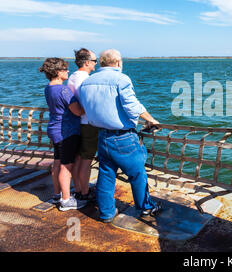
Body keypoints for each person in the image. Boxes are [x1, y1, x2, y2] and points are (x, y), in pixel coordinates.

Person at [79, 49, 162, 223]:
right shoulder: (121, 79)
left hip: (102, 136)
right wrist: (151, 119)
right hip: (123, 137)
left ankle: (107, 213)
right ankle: (145, 208)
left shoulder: (87, 82)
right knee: (138, 174)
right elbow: (132, 106)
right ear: (118, 62)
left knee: (106, 174)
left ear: (101, 63)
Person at [39, 57, 87, 211]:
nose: (68, 71)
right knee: (66, 166)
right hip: (66, 131)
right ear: (58, 72)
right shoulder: (63, 89)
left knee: (58, 163)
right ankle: (66, 201)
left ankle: (57, 194)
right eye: (65, 69)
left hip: (55, 128)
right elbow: (77, 111)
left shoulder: (49, 88)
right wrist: (91, 107)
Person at [67, 48, 98, 201]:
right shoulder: (85, 79)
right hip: (88, 123)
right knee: (86, 160)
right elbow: (87, 103)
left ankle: (79, 189)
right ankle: (85, 193)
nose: (96, 64)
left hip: (77, 123)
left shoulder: (72, 76)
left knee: (78, 158)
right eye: (94, 61)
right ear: (87, 62)